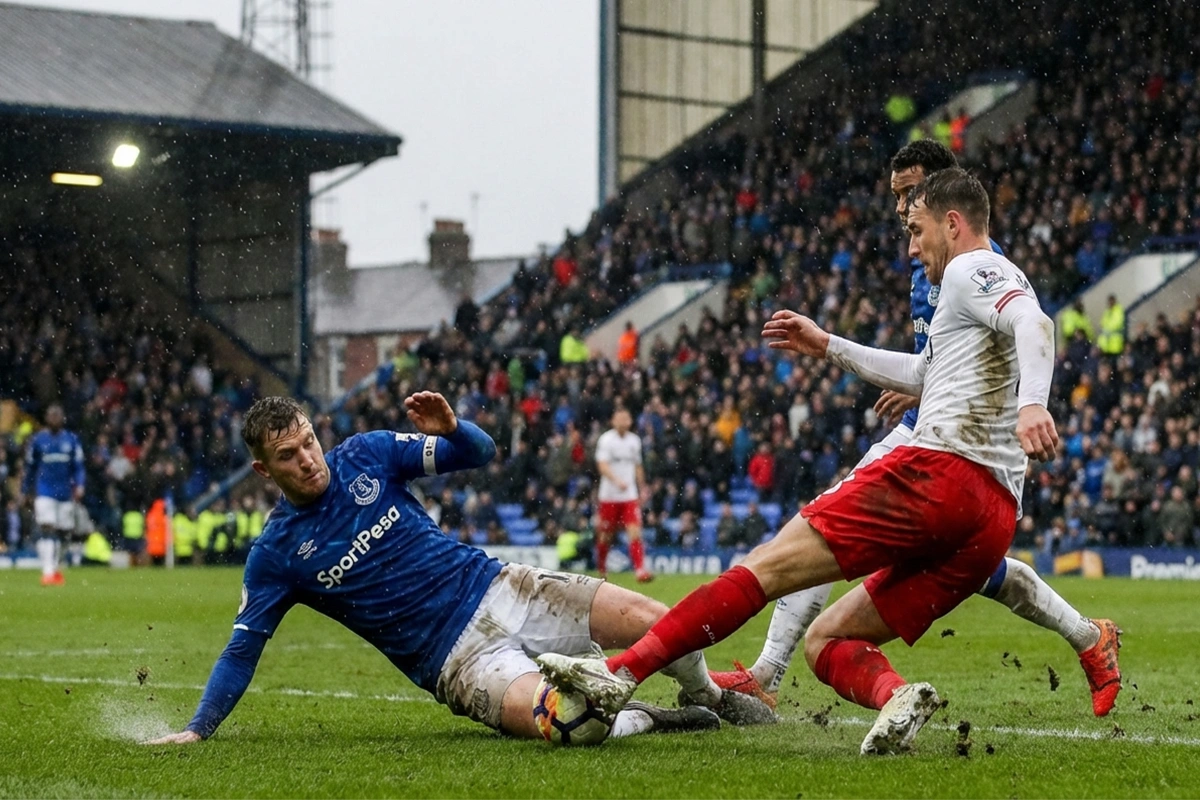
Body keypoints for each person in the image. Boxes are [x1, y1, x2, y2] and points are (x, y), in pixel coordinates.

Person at [535, 168, 1065, 755]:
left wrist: (1032, 406)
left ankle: (618, 674)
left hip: (940, 474)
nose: (912, 247)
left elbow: (1034, 322)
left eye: (917, 230)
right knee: (827, 641)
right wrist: (827, 345)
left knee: (764, 568)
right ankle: (896, 696)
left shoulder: (971, 269)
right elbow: (922, 372)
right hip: (993, 517)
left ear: (953, 223)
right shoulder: (972, 290)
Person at [709, 141, 1121, 720]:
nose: (901, 207)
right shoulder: (923, 262)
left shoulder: (974, 262)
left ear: (943, 196)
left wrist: (1026, 404)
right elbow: (942, 359)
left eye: (910, 193)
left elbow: (1014, 340)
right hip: (934, 427)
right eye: (896, 195)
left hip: (961, 441)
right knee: (976, 568)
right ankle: (1089, 637)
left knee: (825, 530)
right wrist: (920, 380)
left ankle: (766, 673)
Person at [146, 393, 773, 747]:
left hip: (502, 586)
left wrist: (453, 428)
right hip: (457, 661)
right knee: (569, 726)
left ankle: (709, 694)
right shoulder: (277, 554)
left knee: (656, 619)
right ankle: (654, 718)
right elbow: (242, 648)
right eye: (289, 455)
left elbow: (479, 452)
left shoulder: (366, 454)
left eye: (308, 441)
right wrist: (198, 730)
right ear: (264, 470)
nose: (309, 459)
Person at [21, 404, 85, 586]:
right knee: (47, 527)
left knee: (65, 532)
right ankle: (47, 571)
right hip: (45, 491)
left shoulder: (71, 440)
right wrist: (25, 490)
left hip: (65, 492)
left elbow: (78, 467)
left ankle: (55, 567)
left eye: (58, 415)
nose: (55, 418)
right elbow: (30, 468)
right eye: (52, 415)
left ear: (63, 418)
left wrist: (80, 485)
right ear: (46, 418)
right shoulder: (38, 440)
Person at [594, 408, 652, 582]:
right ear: (613, 421)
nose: (623, 422)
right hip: (609, 495)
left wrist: (642, 487)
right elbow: (602, 466)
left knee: (634, 531)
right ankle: (602, 569)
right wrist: (616, 480)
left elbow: (638, 466)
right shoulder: (606, 440)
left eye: (626, 418)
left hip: (629, 495)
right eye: (620, 418)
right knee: (606, 535)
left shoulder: (634, 441)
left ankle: (640, 570)